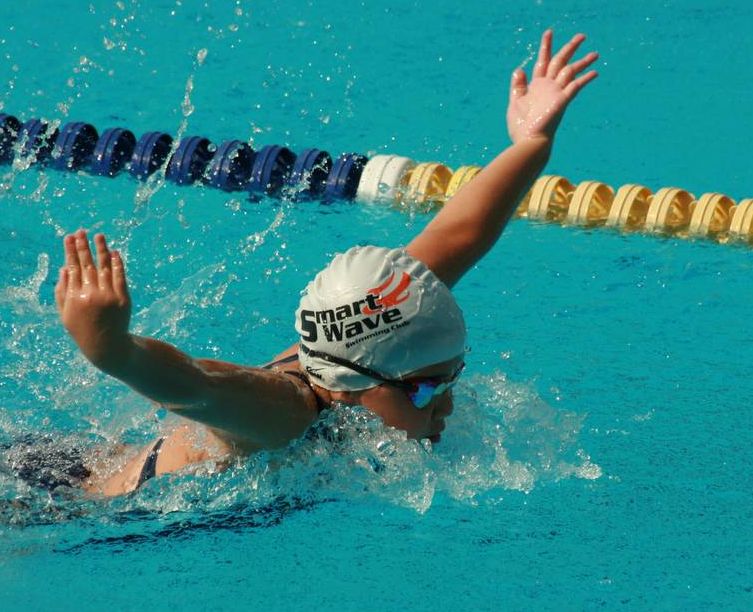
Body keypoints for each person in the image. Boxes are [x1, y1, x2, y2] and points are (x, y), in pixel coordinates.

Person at [57, 30, 599, 496]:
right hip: (62, 507)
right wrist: (110, 348)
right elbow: (197, 386)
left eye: (450, 378)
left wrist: (531, 142)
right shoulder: (285, 414)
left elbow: (458, 236)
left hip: (85, 459)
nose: (448, 407)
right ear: (351, 384)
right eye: (426, 389)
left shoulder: (363, 342)